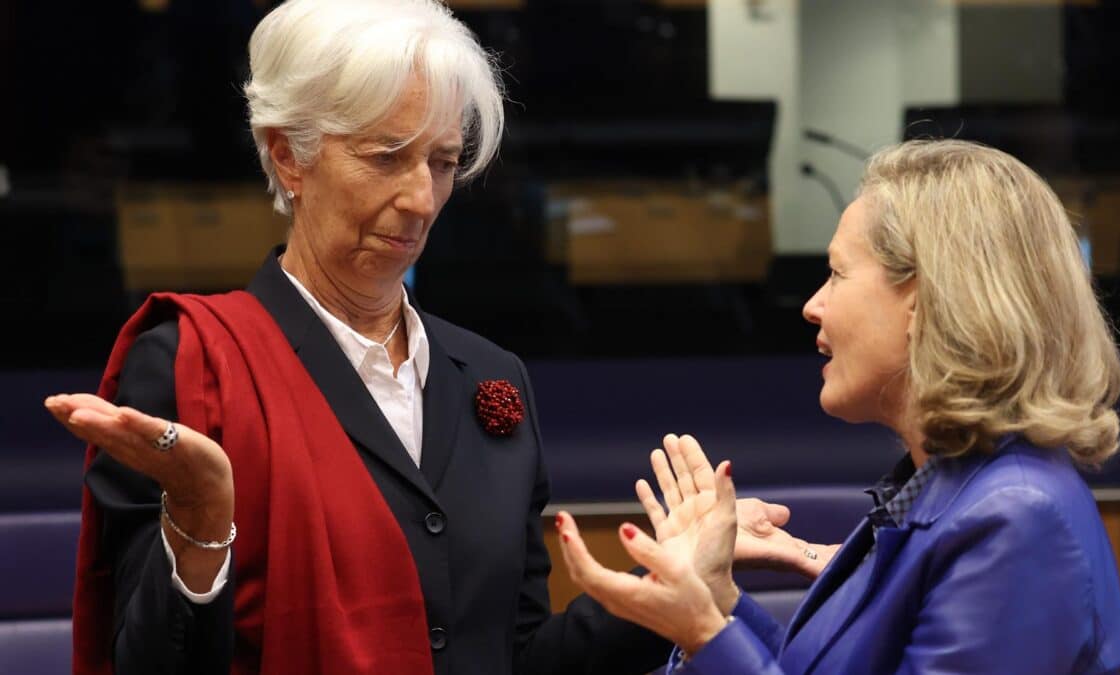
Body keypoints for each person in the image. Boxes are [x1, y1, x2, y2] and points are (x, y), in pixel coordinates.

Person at [43, 1, 676, 673]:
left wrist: (662, 593)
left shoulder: (490, 377)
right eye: (386, 157)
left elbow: (512, 654)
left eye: (442, 161)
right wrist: (198, 528)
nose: (421, 199)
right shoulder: (194, 363)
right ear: (288, 155)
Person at [555, 139, 1120, 674]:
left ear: (925, 302)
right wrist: (718, 602)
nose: (813, 306)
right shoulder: (946, 486)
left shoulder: (1016, 520)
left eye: (836, 273)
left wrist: (707, 632)